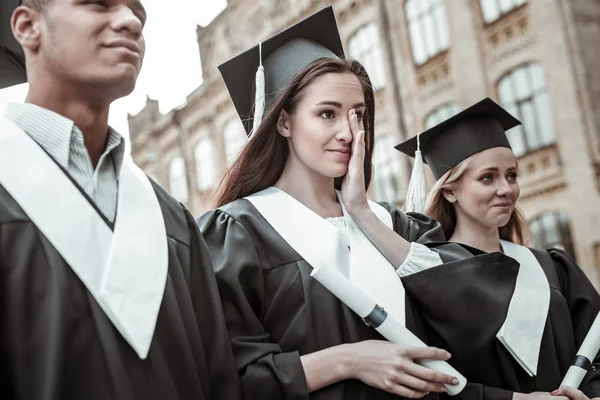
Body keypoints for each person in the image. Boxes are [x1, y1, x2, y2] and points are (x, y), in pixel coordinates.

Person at [197, 6, 461, 400]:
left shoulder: (395, 225)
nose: (348, 132)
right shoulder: (237, 235)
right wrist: (350, 360)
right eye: (327, 114)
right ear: (283, 122)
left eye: (358, 115)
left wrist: (361, 212)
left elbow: (465, 315)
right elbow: (227, 378)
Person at [0, 1, 242, 399]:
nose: (131, 21)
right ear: (28, 27)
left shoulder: (171, 220)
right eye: (99, 4)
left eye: (139, 14)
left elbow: (218, 380)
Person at [395, 97, 600, 400]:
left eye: (512, 175)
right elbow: (435, 382)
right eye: (488, 177)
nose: (505, 189)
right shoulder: (428, 276)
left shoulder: (552, 268)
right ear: (450, 190)